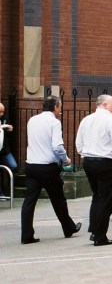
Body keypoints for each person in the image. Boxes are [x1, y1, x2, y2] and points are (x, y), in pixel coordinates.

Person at [20, 96, 81, 244]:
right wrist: (66, 159)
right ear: (55, 107)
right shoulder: (54, 122)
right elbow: (57, 146)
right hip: (47, 167)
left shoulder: (32, 120)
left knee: (29, 201)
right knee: (58, 199)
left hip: (31, 165)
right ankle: (68, 228)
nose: (60, 110)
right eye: (60, 107)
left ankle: (26, 235)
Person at [76, 94, 112, 246]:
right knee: (106, 199)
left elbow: (79, 142)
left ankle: (94, 230)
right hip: (106, 162)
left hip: (89, 161)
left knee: (97, 196)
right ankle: (100, 235)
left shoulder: (86, 119)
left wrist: (85, 153)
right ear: (104, 105)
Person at [0, 102, 16, 198]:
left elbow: (10, 135)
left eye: (3, 112)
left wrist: (10, 129)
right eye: (0, 112)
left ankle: (9, 190)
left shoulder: (5, 119)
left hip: (5, 151)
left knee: (13, 165)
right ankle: (1, 193)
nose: (1, 114)